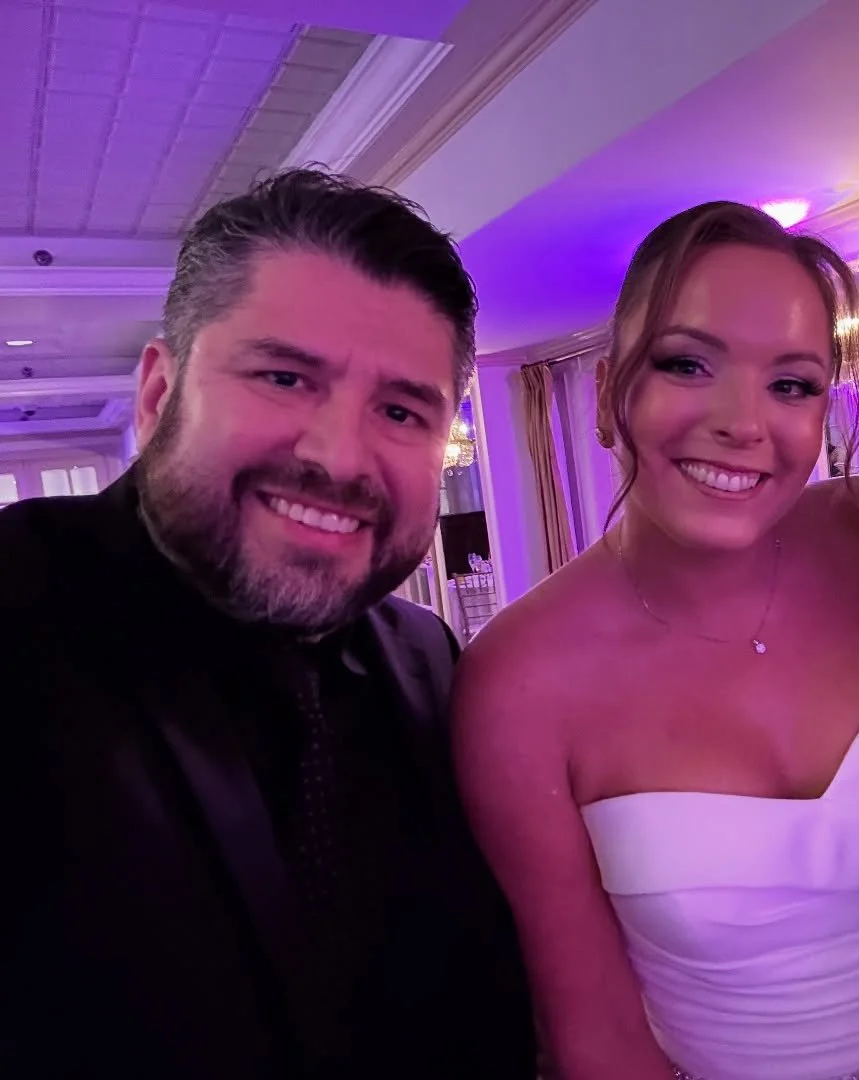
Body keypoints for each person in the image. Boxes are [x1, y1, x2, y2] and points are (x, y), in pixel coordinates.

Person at [0, 170, 535, 1079]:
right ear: (160, 392)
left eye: (402, 411)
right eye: (284, 377)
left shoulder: (430, 661)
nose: (337, 455)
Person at [453, 201, 859, 1080]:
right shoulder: (516, 684)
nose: (744, 422)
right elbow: (599, 1036)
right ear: (610, 397)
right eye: (688, 364)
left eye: (793, 384)